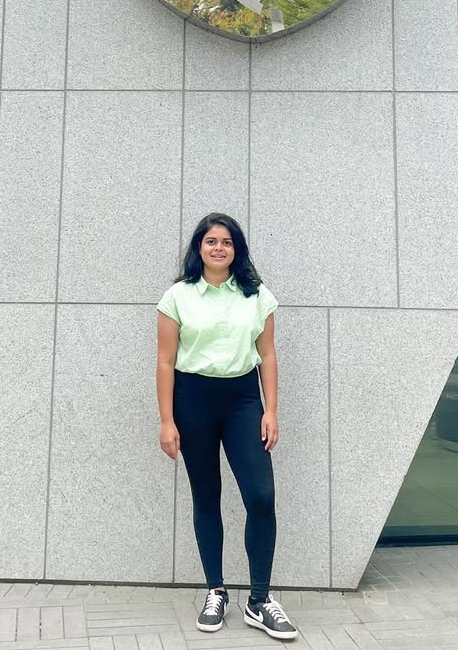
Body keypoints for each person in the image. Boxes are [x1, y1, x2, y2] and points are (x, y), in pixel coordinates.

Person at [156, 213, 298, 641]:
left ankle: (259, 600)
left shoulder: (257, 296)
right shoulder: (177, 297)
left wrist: (270, 410)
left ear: (237, 249)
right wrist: (167, 421)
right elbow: (165, 362)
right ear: (199, 248)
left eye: (227, 242)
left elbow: (267, 355)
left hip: (242, 401)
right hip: (192, 401)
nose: (219, 248)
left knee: (261, 495)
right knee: (207, 495)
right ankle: (215, 591)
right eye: (211, 241)